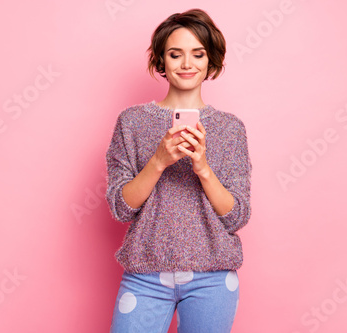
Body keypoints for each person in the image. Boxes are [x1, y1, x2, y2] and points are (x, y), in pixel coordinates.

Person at [105, 8, 252, 333]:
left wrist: (202, 168)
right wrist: (158, 161)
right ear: (161, 60)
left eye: (198, 54)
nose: (187, 64)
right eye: (175, 54)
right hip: (145, 276)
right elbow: (120, 207)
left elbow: (237, 216)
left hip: (213, 278)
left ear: (211, 61)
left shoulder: (230, 129)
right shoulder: (131, 123)